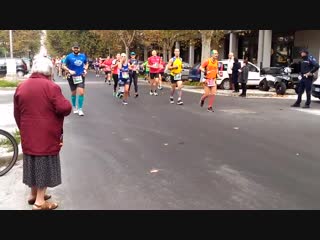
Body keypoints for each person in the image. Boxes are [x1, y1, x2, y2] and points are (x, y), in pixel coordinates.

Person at [13, 56, 72, 210]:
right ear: (49, 71)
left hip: (28, 133)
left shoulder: (21, 86)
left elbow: (17, 113)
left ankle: (33, 195)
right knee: (44, 166)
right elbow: (64, 108)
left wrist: (24, 129)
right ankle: (40, 202)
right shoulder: (51, 87)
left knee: (32, 163)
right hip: (46, 135)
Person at [62, 42, 88, 116]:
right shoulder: (69, 56)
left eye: (77, 48)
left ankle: (80, 109)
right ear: (72, 48)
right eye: (74, 48)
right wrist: (69, 70)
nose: (76, 49)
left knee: (81, 92)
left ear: (79, 48)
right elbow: (63, 65)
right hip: (71, 77)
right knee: (73, 93)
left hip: (80, 76)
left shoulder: (83, 56)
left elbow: (86, 63)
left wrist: (85, 69)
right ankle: (74, 107)